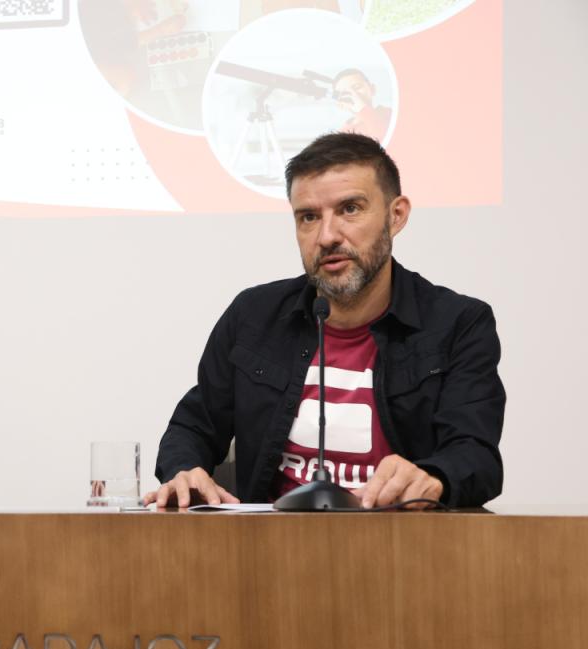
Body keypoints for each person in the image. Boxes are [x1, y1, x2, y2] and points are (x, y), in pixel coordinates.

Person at [145, 132, 505, 509]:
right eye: (309, 217)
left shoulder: (458, 324)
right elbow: (194, 426)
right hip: (272, 538)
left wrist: (434, 478)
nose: (327, 236)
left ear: (395, 215)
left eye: (350, 209)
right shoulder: (253, 315)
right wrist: (184, 470)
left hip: (398, 536)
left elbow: (476, 456)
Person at [333, 68, 392, 141]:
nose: (354, 95)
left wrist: (362, 108)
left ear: (372, 89)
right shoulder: (342, 133)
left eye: (357, 87)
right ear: (340, 103)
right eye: (345, 93)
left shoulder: (389, 114)